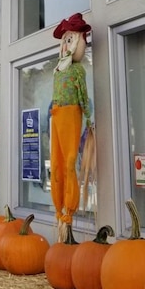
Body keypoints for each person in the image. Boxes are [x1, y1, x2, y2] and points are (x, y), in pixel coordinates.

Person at [50, 13, 92, 232]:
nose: (66, 46)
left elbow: (83, 95)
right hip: (56, 114)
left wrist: (89, 117)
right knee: (56, 162)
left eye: (70, 41)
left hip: (71, 114)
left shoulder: (77, 70)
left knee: (68, 161)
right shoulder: (58, 70)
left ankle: (68, 209)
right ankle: (58, 207)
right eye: (64, 41)